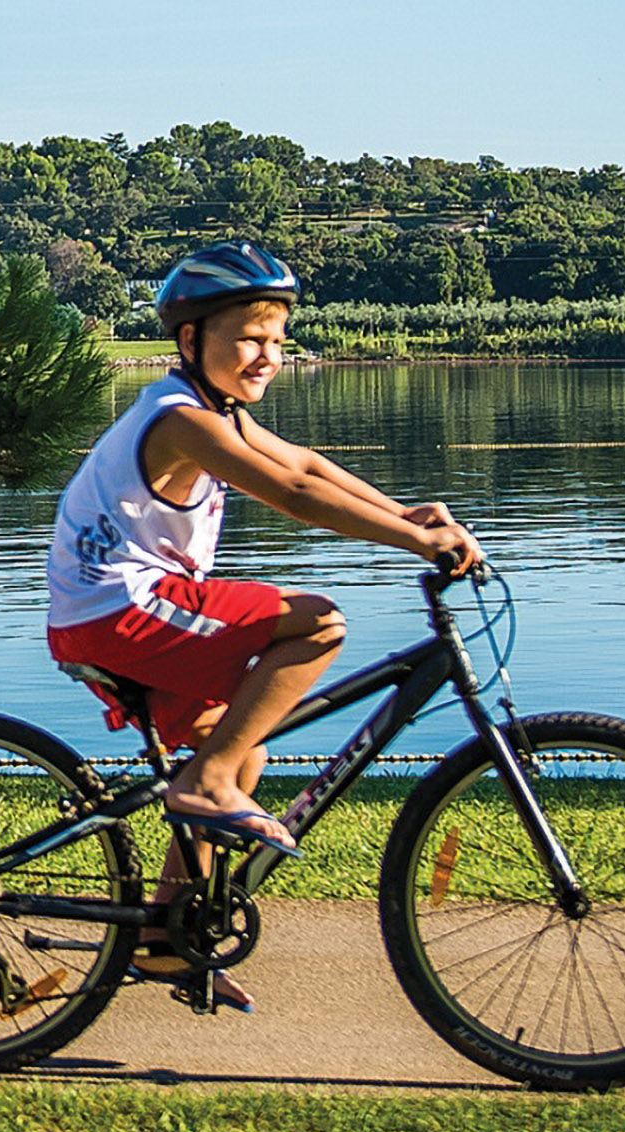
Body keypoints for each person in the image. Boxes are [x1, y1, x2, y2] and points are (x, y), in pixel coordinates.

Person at [45, 241, 483, 1005]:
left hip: (118, 611)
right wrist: (415, 541)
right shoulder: (181, 419)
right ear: (191, 340)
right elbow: (293, 498)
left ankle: (161, 942)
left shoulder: (216, 412)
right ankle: (206, 783)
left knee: (236, 747)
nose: (267, 355)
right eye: (249, 337)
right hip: (114, 607)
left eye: (277, 341)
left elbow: (306, 465)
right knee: (315, 624)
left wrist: (404, 511)